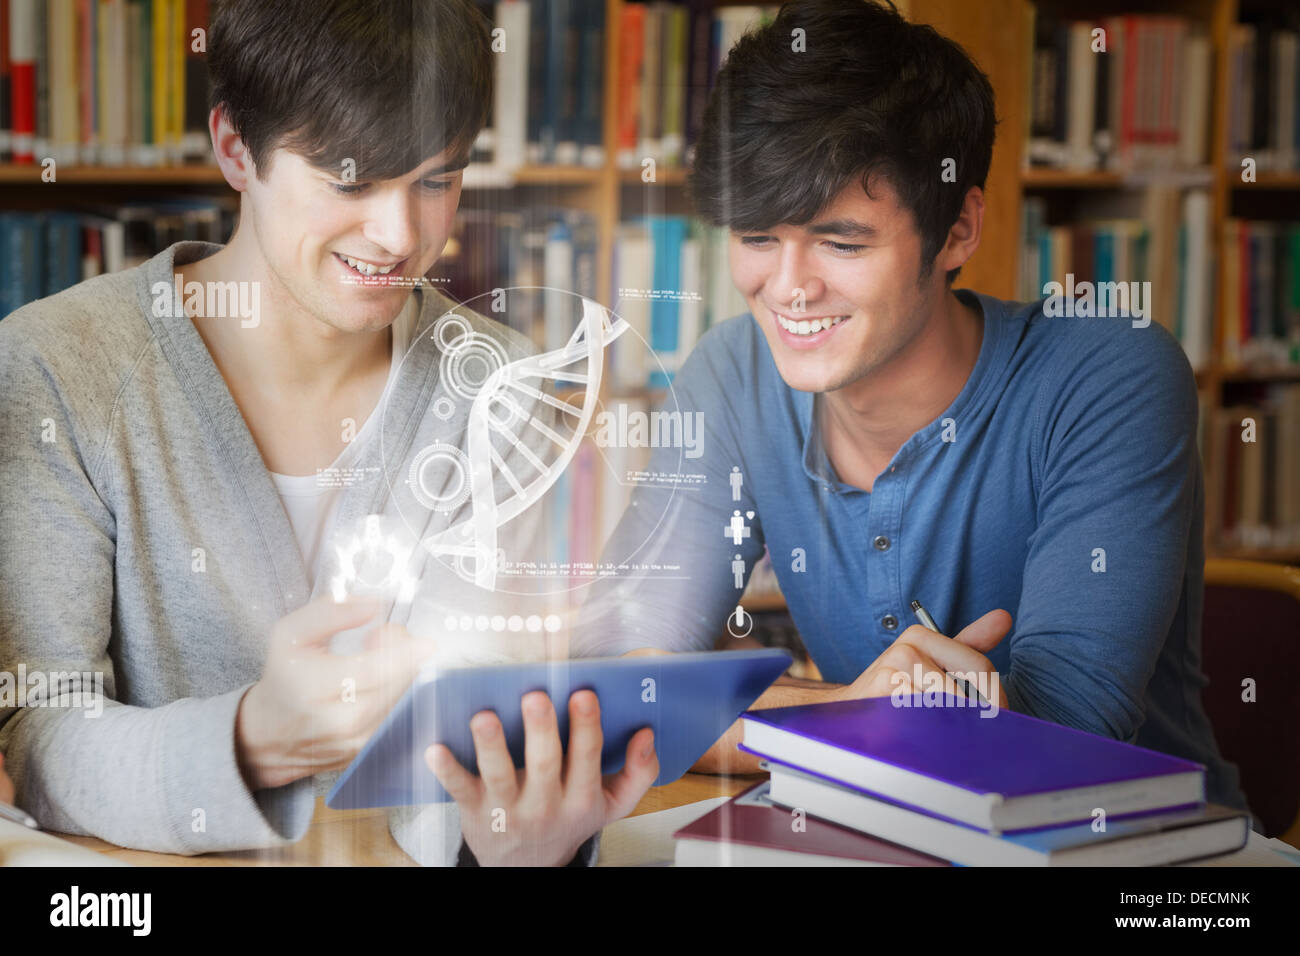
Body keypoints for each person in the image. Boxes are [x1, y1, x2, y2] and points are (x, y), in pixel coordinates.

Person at [0, 0, 655, 867]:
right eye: (351, 180)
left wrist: (522, 844)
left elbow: (481, 748)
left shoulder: (508, 392)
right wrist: (254, 741)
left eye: (436, 179)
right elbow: (34, 740)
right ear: (236, 148)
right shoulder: (57, 369)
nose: (401, 235)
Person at [574, 0, 1249, 816]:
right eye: (756, 237)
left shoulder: (1108, 370)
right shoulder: (732, 372)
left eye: (842, 242)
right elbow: (606, 686)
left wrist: (723, 714)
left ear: (958, 229)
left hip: (1135, 852)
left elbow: (1063, 731)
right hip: (878, 833)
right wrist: (852, 714)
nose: (787, 287)